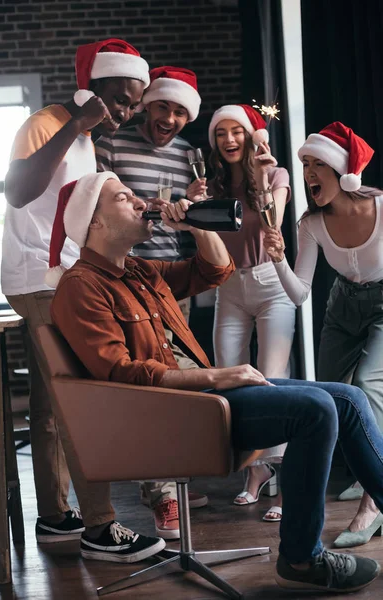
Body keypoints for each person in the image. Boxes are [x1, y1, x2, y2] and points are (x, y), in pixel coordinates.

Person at [47, 171, 383, 593]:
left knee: (349, 398)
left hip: (202, 398)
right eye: (123, 198)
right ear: (93, 222)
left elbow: (216, 269)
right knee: (314, 409)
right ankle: (302, 559)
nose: (140, 202)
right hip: (172, 413)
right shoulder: (80, 287)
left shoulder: (137, 271)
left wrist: (194, 225)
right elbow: (120, 373)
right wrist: (220, 375)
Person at [1, 39, 164, 562]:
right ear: (90, 89)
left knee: (52, 405)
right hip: (39, 277)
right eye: (120, 99)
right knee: (78, 396)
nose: (127, 112)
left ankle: (55, 516)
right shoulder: (47, 125)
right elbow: (18, 191)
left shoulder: (85, 139)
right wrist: (75, 123)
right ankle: (101, 526)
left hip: (56, 275)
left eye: (134, 103)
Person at [95, 66, 207, 537]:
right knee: (145, 385)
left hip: (169, 282)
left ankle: (174, 479)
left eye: (181, 111)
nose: (170, 117)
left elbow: (190, 219)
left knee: (177, 387)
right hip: (122, 275)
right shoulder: (114, 143)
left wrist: (195, 206)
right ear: (148, 105)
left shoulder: (186, 155)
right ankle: (161, 494)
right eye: (163, 106)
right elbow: (96, 199)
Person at [263, 121, 383, 549]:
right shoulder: (311, 223)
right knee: (329, 397)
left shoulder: (381, 208)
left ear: (343, 171)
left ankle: (372, 504)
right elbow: (299, 295)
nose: (309, 173)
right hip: (342, 308)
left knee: (368, 386)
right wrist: (277, 259)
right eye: (306, 165)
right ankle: (367, 470)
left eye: (318, 164)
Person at [187, 104, 295, 522]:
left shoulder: (277, 174)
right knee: (229, 378)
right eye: (220, 134)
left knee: (272, 382)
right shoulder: (210, 184)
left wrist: (266, 176)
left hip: (271, 284)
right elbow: (206, 244)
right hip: (229, 287)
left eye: (237, 132)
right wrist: (194, 207)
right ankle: (255, 470)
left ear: (251, 135)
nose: (229, 140)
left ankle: (283, 485)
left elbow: (275, 227)